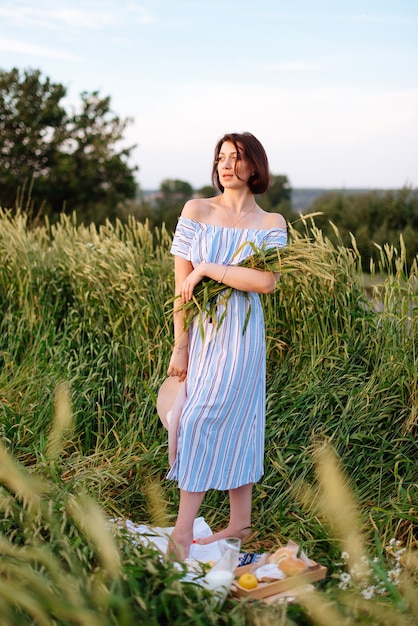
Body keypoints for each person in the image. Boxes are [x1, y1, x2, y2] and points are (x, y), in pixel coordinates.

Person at [166, 132, 287, 560]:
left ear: (255, 166)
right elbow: (181, 287)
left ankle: (189, 533)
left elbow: (265, 282)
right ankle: (237, 525)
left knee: (217, 420)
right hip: (200, 337)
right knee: (214, 420)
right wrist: (180, 346)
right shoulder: (195, 210)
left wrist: (208, 269)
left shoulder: (271, 223)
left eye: (236, 158)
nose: (226, 164)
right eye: (221, 157)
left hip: (241, 336)